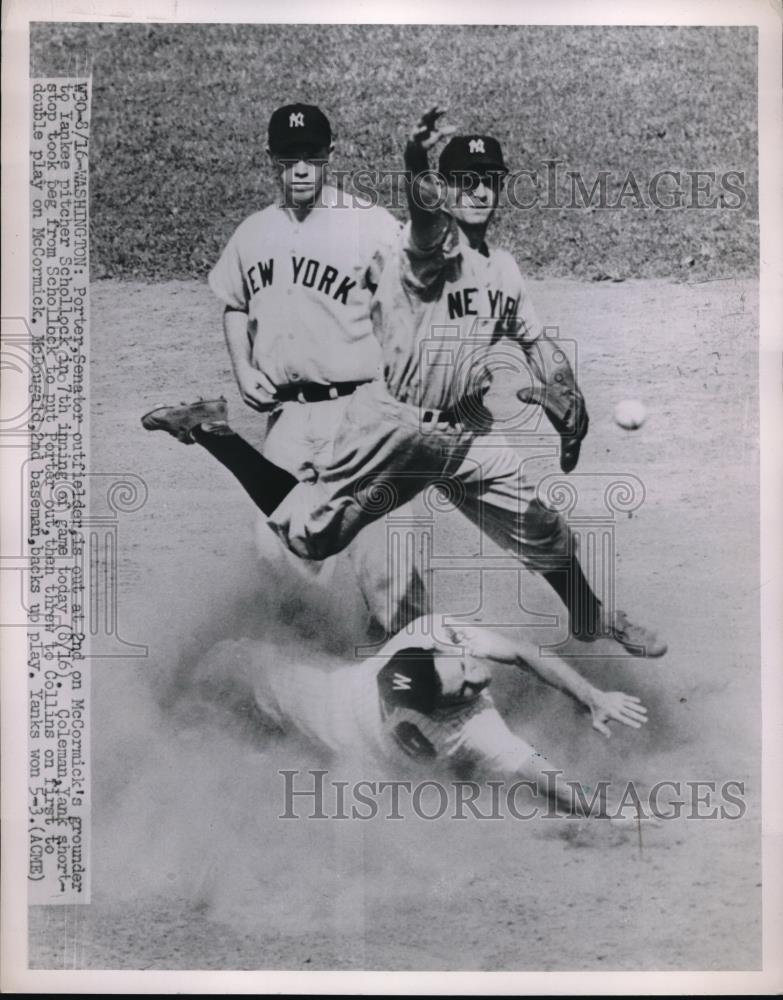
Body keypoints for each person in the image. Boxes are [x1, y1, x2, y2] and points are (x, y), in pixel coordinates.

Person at [144, 107, 666, 658]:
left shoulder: (504, 270)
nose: (479, 192)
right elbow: (422, 216)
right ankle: (214, 432)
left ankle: (589, 615)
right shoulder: (428, 253)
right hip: (399, 428)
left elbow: (535, 340)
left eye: (489, 181)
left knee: (544, 526)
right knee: (307, 535)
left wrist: (565, 384)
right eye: (465, 182)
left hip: (470, 428)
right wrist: (417, 161)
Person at [143, 103, 428, 637]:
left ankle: (417, 687)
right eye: (289, 158)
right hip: (291, 420)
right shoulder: (253, 233)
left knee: (389, 565)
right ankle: (310, 681)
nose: (301, 170)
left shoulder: (368, 225)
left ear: (329, 157)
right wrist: (243, 367)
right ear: (270, 159)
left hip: (362, 412)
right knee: (279, 555)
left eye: (312, 158)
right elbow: (234, 303)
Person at [198, 613, 650, 817]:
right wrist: (607, 809)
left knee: (249, 660)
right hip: (325, 714)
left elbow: (522, 654)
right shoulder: (459, 727)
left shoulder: (432, 633)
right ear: (438, 708)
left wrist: (590, 695)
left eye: (464, 667)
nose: (480, 679)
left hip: (349, 716)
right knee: (241, 671)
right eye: (465, 690)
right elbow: (545, 777)